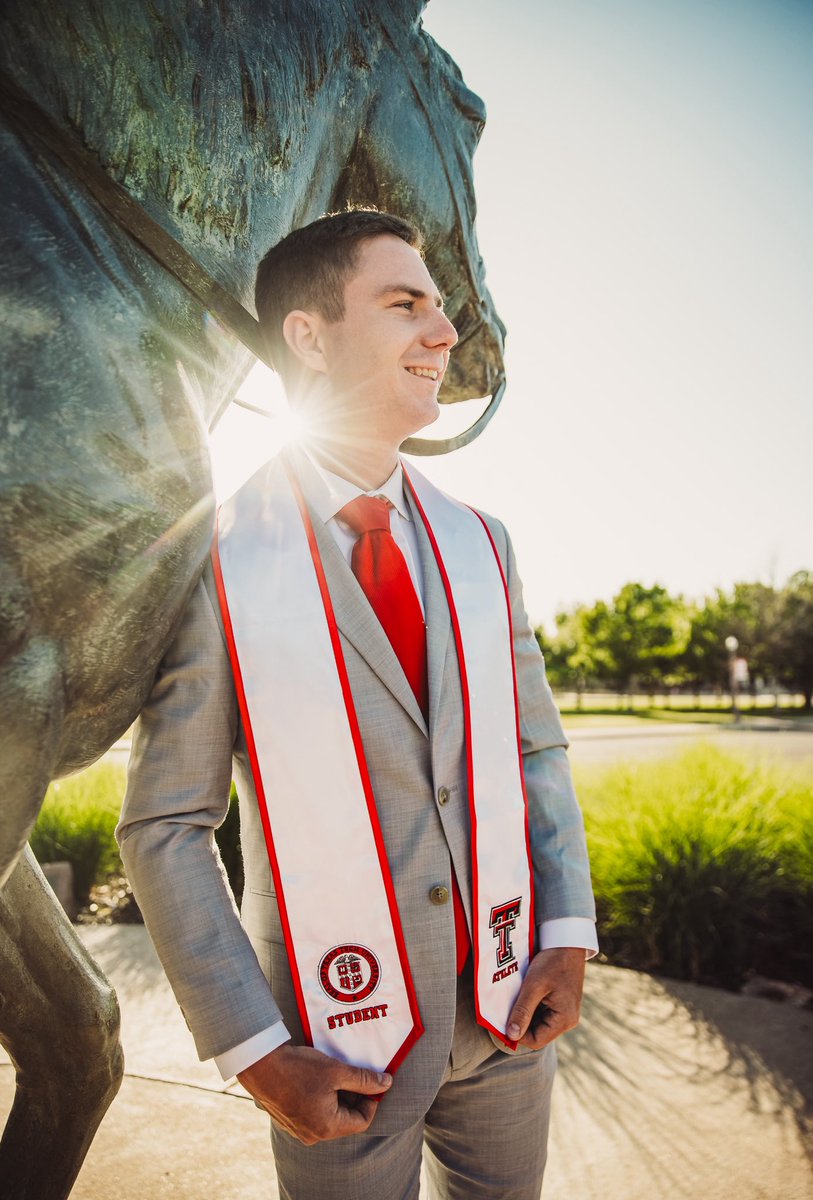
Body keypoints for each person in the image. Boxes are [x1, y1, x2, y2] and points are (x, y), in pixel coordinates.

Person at [118, 208, 597, 1200]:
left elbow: (535, 751)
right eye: (405, 304)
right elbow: (166, 824)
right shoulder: (217, 558)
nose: (446, 332)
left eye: (439, 308)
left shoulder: (483, 543)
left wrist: (566, 929)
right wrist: (255, 1051)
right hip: (335, 1039)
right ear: (309, 335)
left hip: (510, 1010)